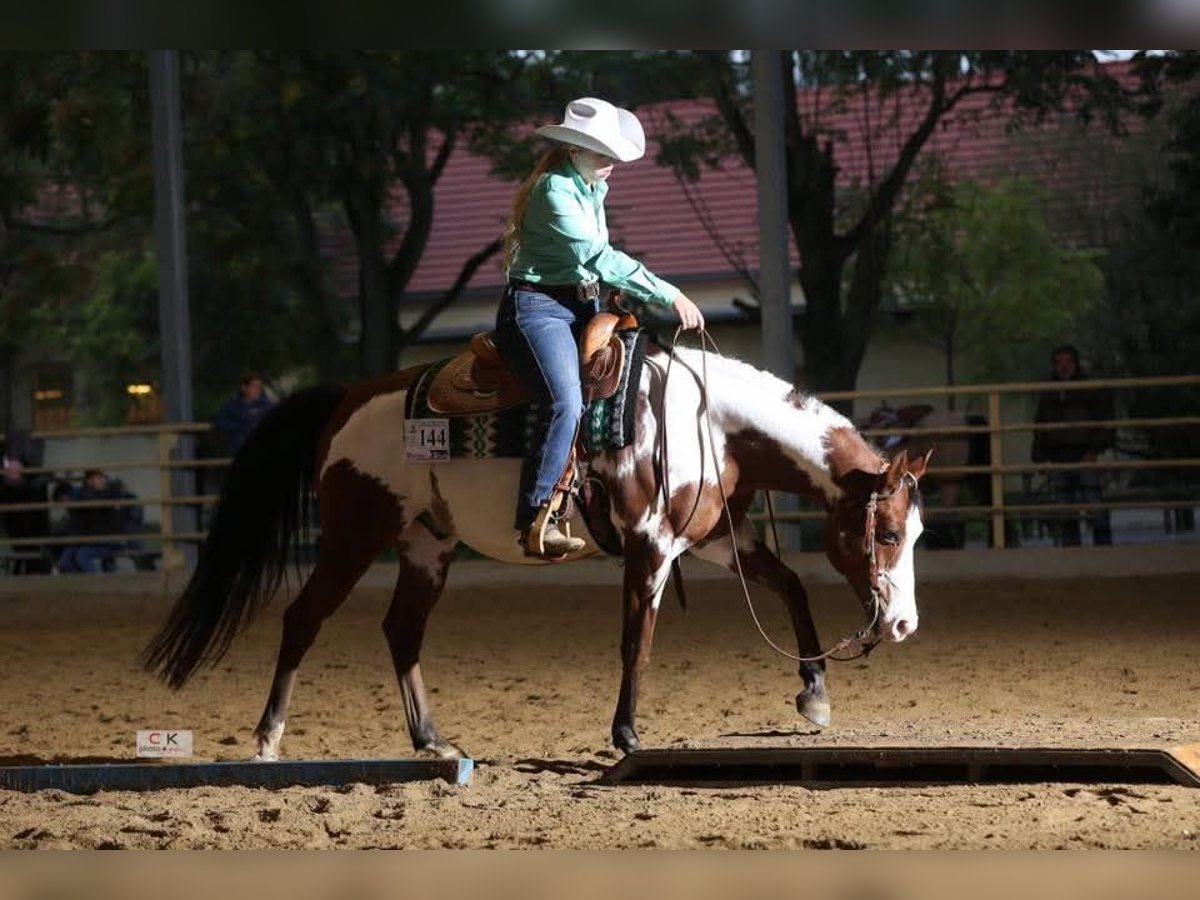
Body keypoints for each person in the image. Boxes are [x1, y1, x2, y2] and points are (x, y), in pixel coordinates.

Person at [494, 96, 706, 558]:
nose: (610, 162)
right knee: (565, 401)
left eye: (612, 152)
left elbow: (592, 264)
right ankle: (536, 517)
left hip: (580, 302)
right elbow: (598, 257)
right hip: (538, 308)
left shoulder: (591, 186)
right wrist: (668, 293)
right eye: (600, 151)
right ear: (573, 149)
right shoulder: (553, 189)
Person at [1031, 344, 1114, 546]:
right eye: (1059, 362)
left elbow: (1104, 422)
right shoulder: (1049, 394)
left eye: (1067, 361)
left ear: (1076, 364)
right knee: (1064, 510)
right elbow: (1040, 426)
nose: (1063, 366)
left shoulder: (1089, 390)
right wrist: (1041, 459)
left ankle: (1104, 550)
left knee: (1095, 506)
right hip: (1059, 457)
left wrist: (1094, 449)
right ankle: (1071, 552)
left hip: (1084, 454)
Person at [56, 469, 145, 573]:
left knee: (82, 555)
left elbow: (107, 498)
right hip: (94, 539)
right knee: (66, 561)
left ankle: (96, 582)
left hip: (108, 541)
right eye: (97, 479)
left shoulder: (110, 493)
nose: (101, 480)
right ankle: (86, 581)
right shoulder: (88, 495)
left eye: (101, 478)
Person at [213, 371, 275, 457]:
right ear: (244, 387)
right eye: (254, 386)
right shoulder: (232, 405)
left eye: (259, 386)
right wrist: (238, 427)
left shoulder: (266, 406)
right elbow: (219, 421)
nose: (257, 389)